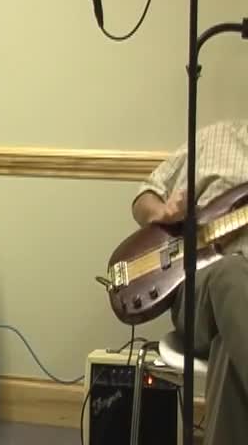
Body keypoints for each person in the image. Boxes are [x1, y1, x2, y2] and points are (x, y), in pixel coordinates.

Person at [131, 118, 248, 444]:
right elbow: (144, 195)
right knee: (231, 272)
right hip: (201, 292)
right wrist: (163, 212)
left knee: (229, 348)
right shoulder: (217, 137)